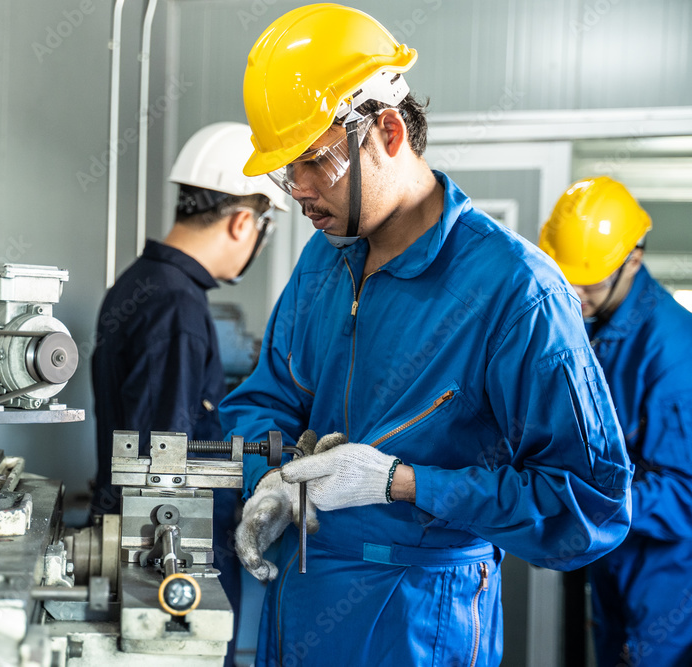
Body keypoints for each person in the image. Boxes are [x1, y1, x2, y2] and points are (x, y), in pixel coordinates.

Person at [220, 5, 633, 665]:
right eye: (283, 171)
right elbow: (265, 400)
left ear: (386, 129)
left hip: (418, 622)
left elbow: (590, 505)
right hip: (302, 601)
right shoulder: (325, 261)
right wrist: (269, 479)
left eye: (311, 162)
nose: (295, 189)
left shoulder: (516, 291)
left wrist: (403, 482)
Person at [90, 121, 288, 664]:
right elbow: (163, 464)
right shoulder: (177, 306)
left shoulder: (140, 284)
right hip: (174, 555)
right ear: (244, 222)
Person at [540, 176, 692, 667]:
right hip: (610, 564)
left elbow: (685, 494)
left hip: (663, 584)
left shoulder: (673, 352)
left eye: (591, 281)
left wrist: (590, 499)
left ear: (634, 259)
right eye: (566, 277)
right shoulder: (594, 324)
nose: (575, 294)